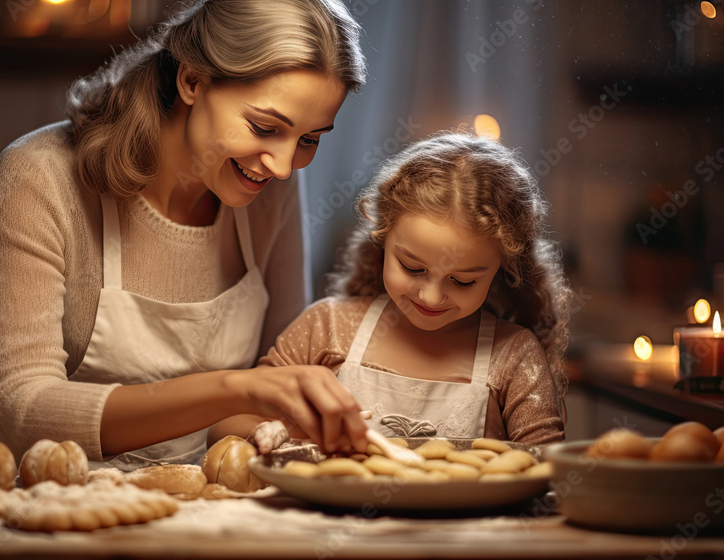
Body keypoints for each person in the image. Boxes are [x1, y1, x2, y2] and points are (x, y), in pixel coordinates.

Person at [0, 0, 371, 470]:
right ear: (192, 80)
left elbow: (270, 382)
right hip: (40, 508)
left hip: (204, 507)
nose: (283, 167)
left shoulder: (267, 189)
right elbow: (23, 410)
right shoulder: (40, 176)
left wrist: (292, 419)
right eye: (265, 127)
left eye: (309, 139)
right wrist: (237, 388)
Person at [212, 131, 572, 451]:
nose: (430, 297)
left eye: (463, 281)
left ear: (503, 270)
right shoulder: (327, 328)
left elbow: (550, 471)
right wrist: (267, 430)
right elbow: (222, 422)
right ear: (382, 240)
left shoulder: (513, 357)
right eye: (412, 268)